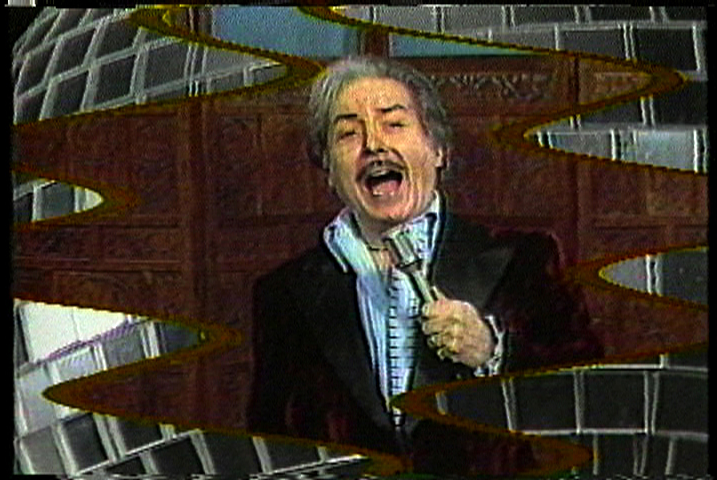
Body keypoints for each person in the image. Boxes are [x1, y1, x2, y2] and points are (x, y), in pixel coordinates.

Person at [247, 56, 604, 476]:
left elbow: (589, 400)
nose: (373, 145)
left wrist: (493, 352)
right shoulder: (286, 293)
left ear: (437, 149)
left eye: (393, 124)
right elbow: (273, 444)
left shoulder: (523, 260)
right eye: (348, 133)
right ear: (328, 168)